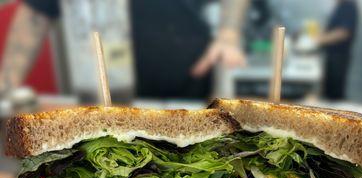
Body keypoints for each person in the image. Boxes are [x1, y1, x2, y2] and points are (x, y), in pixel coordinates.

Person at [0, 0, 249, 99]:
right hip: (105, 93)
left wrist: (229, 32)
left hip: (187, 86)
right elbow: (34, 13)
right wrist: (6, 84)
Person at [317, 0, 358, 100]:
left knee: (334, 95)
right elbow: (333, 28)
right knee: (328, 91)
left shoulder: (348, 6)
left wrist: (320, 40)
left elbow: (343, 32)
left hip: (339, 57)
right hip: (333, 55)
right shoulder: (341, 5)